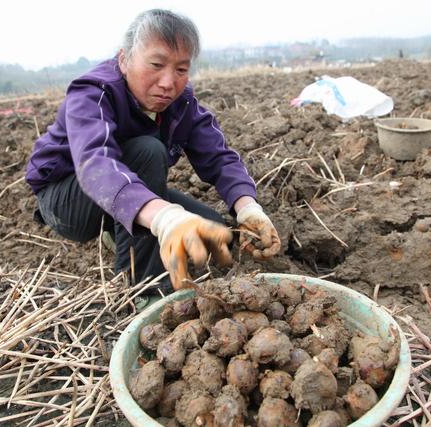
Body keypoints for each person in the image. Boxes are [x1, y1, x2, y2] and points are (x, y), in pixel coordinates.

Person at [25, 9, 280, 294]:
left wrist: (248, 208)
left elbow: (219, 156)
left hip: (127, 188)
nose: (168, 83)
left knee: (213, 230)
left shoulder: (181, 103)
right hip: (68, 200)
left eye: (181, 70)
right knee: (148, 151)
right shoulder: (93, 92)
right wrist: (164, 218)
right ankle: (143, 290)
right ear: (124, 59)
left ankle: (122, 226)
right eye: (156, 64)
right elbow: (96, 164)